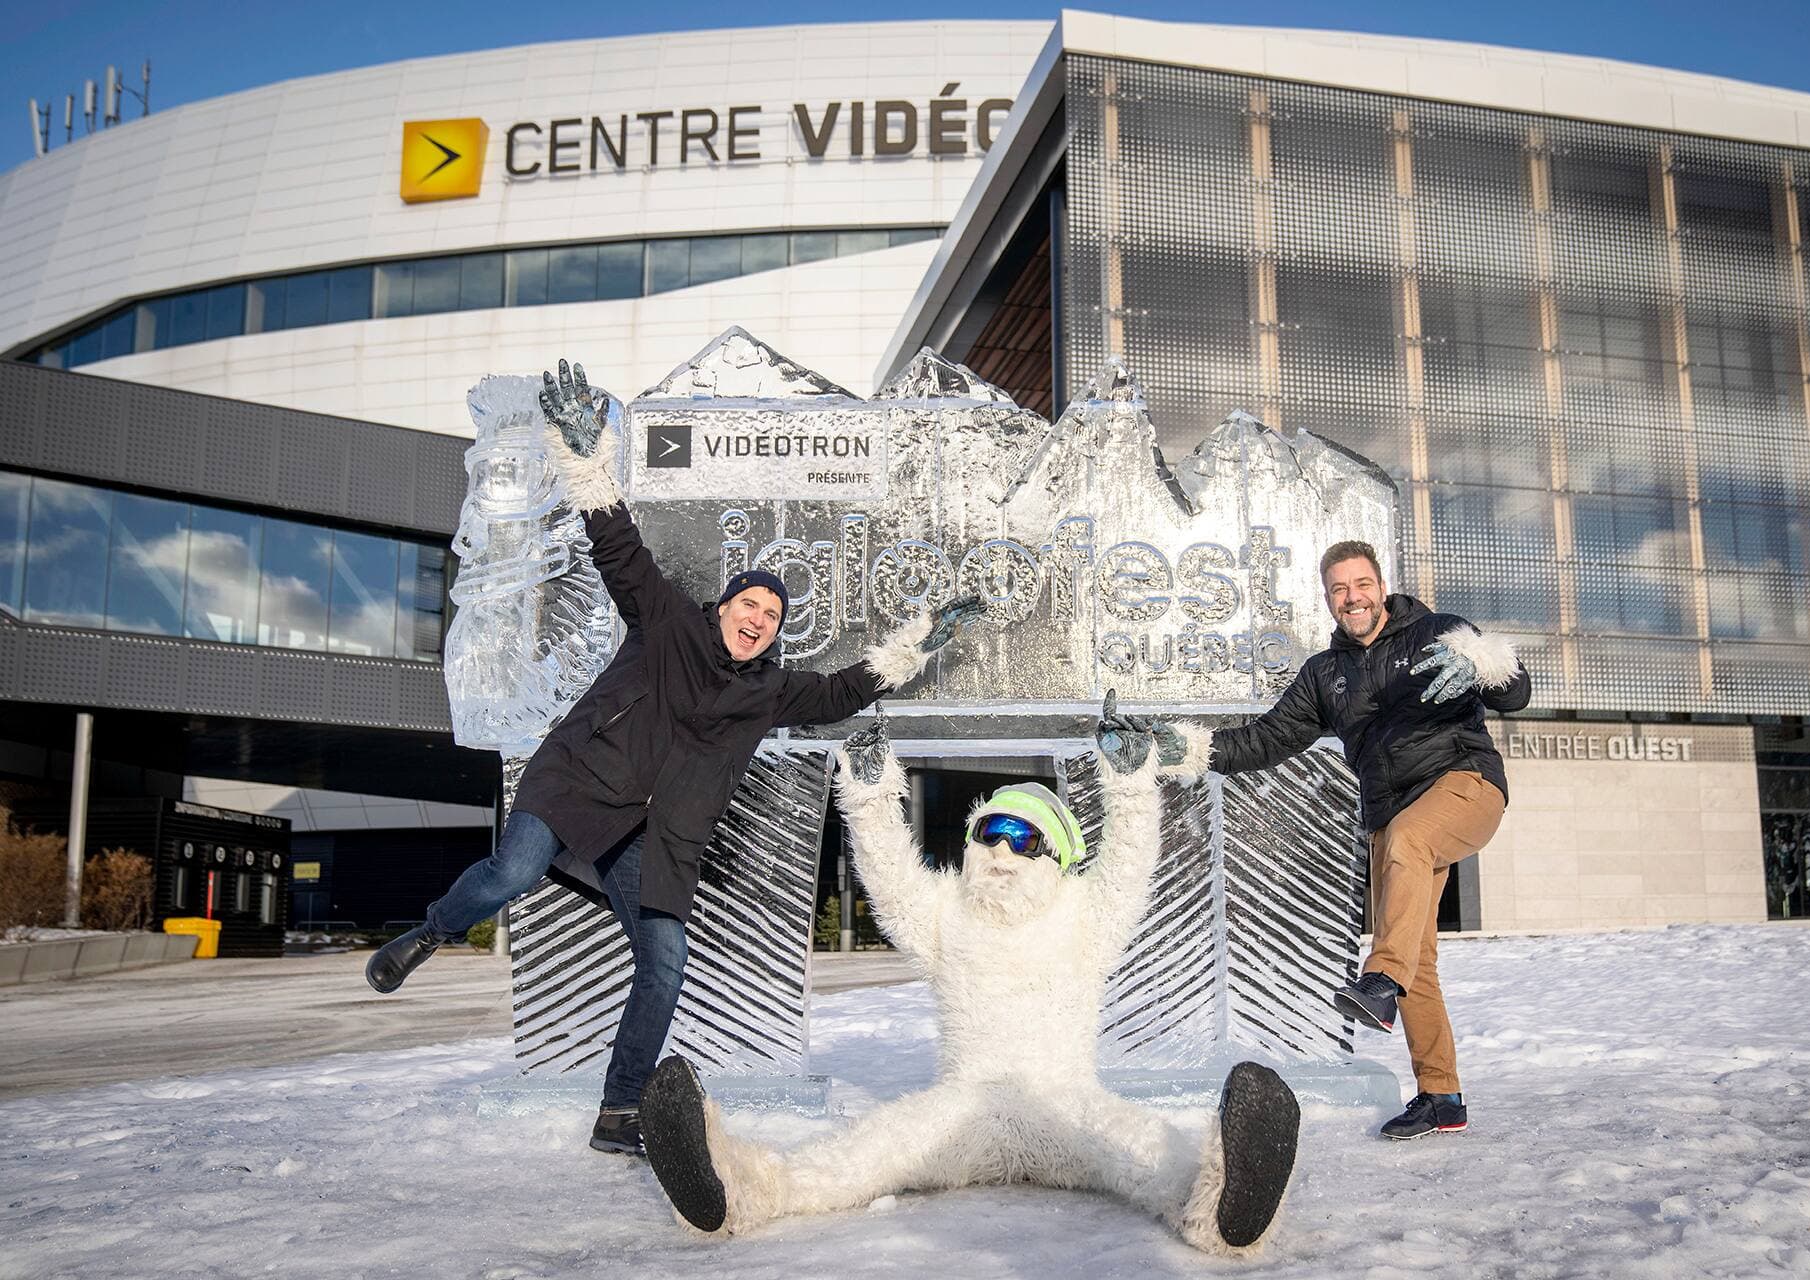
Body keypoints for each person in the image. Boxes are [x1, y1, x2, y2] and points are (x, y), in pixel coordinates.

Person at [365, 359, 988, 1156]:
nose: (758, 618)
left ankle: (618, 1110)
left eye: (771, 613)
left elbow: (838, 695)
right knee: (511, 875)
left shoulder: (769, 691)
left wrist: (916, 645)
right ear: (724, 606)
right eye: (749, 603)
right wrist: (584, 460)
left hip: (655, 836)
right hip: (579, 781)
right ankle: (427, 934)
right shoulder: (668, 625)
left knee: (665, 963)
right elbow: (619, 550)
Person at [636, 696, 1301, 1254]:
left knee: (1146, 1152)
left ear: (1058, 855)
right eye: (991, 831)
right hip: (965, 1107)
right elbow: (894, 881)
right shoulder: (949, 913)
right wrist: (869, 796)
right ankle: (736, 1188)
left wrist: (1129, 783)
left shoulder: (1085, 914)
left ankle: (1226, 1206)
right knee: (869, 1151)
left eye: (1025, 835)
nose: (1003, 850)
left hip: (1065, 1104)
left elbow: (1128, 861)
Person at [1140, 540, 1530, 1140]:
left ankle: (1377, 981)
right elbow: (1263, 740)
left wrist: (1483, 666)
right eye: (1340, 590)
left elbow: (1515, 694)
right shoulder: (1325, 676)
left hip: (1464, 784)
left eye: (1362, 584)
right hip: (1392, 815)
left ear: (1382, 585)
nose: (1353, 598)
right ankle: (1440, 1096)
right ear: (1328, 599)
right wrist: (1182, 748)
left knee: (1403, 863)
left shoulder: (1438, 631)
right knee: (1415, 961)